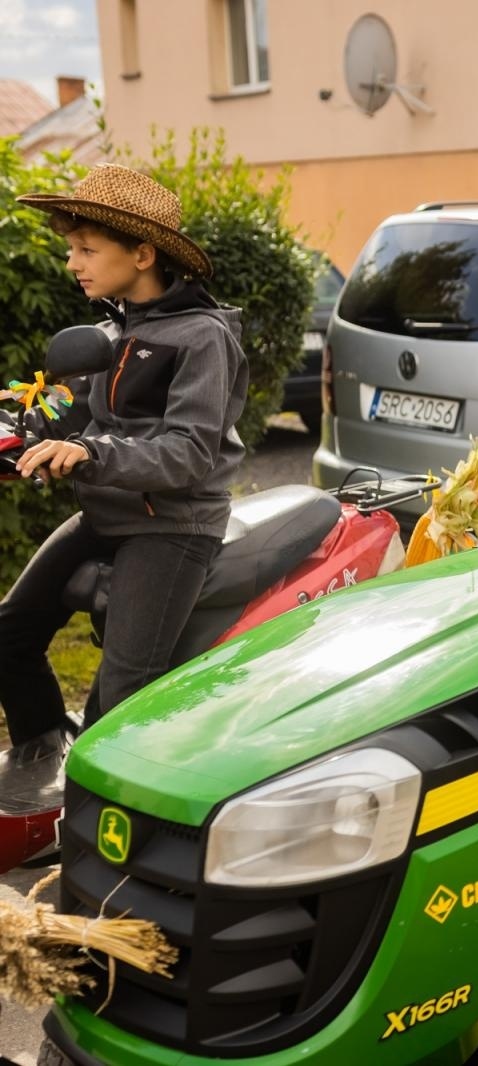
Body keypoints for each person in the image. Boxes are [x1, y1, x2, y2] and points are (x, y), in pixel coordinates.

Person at [0, 164, 248, 785]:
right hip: (108, 511)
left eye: (86, 249)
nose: (72, 263)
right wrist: (23, 431)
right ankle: (43, 757)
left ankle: (101, 815)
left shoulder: (202, 338)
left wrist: (90, 454)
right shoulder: (114, 331)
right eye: (71, 249)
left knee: (121, 692)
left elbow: (189, 453)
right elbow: (75, 415)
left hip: (172, 526)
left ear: (142, 254)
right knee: (9, 634)